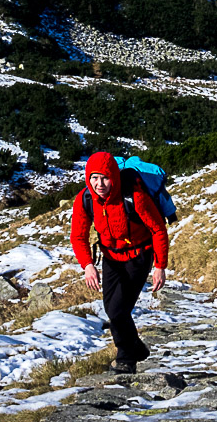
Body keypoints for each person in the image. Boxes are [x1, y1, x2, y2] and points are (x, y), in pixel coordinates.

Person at [70, 151, 169, 374]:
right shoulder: (85, 199)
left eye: (105, 177)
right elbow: (78, 236)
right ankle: (137, 347)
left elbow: (158, 230)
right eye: (94, 178)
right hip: (111, 257)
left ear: (114, 176)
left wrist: (160, 266)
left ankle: (126, 357)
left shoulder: (134, 196)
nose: (100, 184)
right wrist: (87, 265)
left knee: (117, 309)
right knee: (112, 308)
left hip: (139, 256)